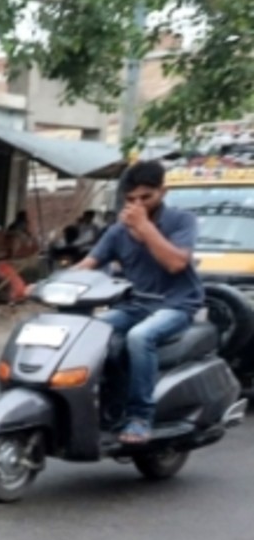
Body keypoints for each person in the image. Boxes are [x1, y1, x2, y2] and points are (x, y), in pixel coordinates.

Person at [75, 160, 202, 444]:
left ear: (163, 192)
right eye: (132, 199)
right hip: (136, 305)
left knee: (139, 337)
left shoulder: (182, 221)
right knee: (89, 330)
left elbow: (175, 263)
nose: (138, 204)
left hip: (177, 305)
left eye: (147, 197)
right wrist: (51, 284)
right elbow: (89, 264)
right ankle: (105, 403)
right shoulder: (118, 230)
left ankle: (140, 417)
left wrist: (144, 227)